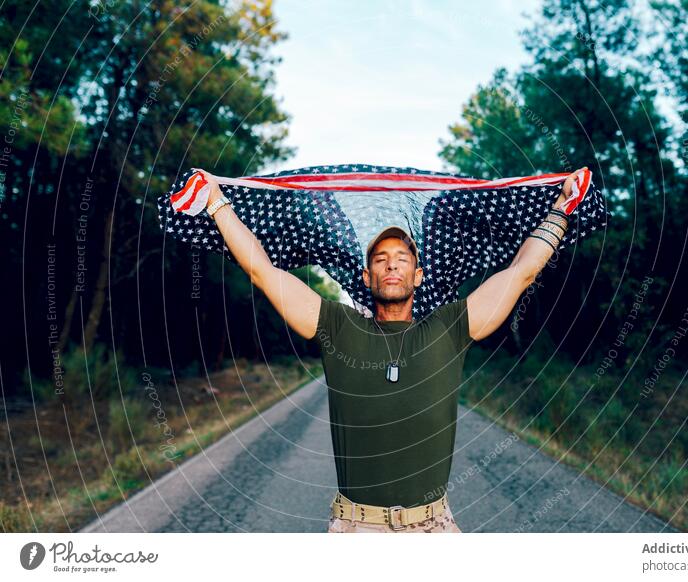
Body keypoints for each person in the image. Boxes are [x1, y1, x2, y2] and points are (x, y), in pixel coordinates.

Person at [200, 166, 586, 533]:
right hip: (355, 527)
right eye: (381, 260)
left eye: (402, 260)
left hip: (433, 527)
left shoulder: (449, 328)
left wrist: (562, 208)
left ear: (418, 275)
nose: (391, 266)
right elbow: (263, 271)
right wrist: (216, 201)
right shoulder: (336, 325)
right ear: (367, 276)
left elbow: (521, 272)